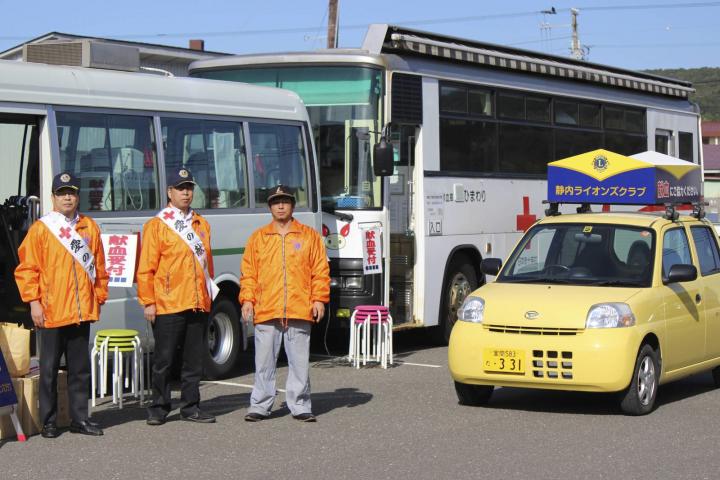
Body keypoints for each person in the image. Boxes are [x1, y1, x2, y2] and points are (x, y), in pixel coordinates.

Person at [15, 172, 109, 438]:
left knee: (80, 370)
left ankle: (80, 418)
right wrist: (34, 303)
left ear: (78, 196)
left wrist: (99, 297)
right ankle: (49, 421)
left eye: (72, 192)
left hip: (81, 311)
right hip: (52, 310)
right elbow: (27, 270)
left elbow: (100, 268)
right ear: (53, 197)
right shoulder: (41, 229)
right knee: (48, 370)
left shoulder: (89, 227)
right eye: (62, 193)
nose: (67, 197)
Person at [240, 185, 330, 422]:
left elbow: (320, 270)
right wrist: (247, 299)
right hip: (266, 308)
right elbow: (248, 273)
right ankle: (260, 405)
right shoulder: (258, 238)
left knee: (299, 363)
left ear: (292, 205)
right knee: (264, 363)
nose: (280, 206)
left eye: (285, 201)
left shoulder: (309, 236)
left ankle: (300, 405)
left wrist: (319, 299)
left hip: (299, 309)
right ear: (270, 206)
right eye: (276, 202)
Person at [137, 168, 218, 426]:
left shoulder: (201, 224)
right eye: (180, 188)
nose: (186, 192)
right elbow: (146, 267)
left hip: (197, 301)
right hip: (168, 301)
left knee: (194, 359)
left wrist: (208, 295)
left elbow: (208, 265)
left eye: (189, 188)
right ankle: (159, 407)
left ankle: (191, 406)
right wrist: (148, 301)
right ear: (169, 192)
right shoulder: (157, 225)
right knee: (164, 359)